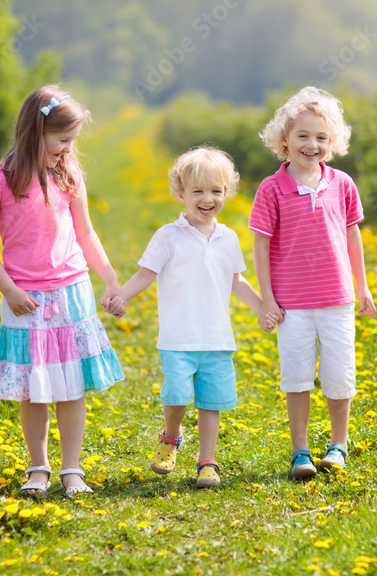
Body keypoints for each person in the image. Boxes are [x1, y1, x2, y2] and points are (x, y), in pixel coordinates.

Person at [0, 85, 126, 498]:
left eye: (72, 142)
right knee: (34, 386)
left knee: (72, 384)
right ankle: (38, 466)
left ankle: (72, 469)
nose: (67, 150)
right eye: (62, 141)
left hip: (72, 291)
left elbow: (86, 233)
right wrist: (8, 290)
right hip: (26, 300)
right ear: (34, 132)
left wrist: (110, 279)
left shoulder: (70, 175)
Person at [107, 147, 279, 488]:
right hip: (177, 338)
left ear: (226, 193)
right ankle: (171, 437)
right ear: (180, 193)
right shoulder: (168, 236)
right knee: (175, 395)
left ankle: (207, 462)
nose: (207, 199)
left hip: (216, 337)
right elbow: (146, 273)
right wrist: (120, 296)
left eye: (215, 191)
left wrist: (263, 307)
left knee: (210, 401)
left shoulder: (228, 238)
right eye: (197, 191)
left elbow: (236, 281)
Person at [248, 86, 377, 481]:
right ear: (283, 140)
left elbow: (352, 235)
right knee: (297, 378)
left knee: (340, 377)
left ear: (333, 143)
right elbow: (260, 245)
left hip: (337, 300)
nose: (312, 144)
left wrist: (363, 286)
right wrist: (267, 299)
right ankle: (300, 451)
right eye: (302, 135)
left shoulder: (342, 184)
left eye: (321, 137)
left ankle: (339, 445)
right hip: (293, 306)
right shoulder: (272, 189)